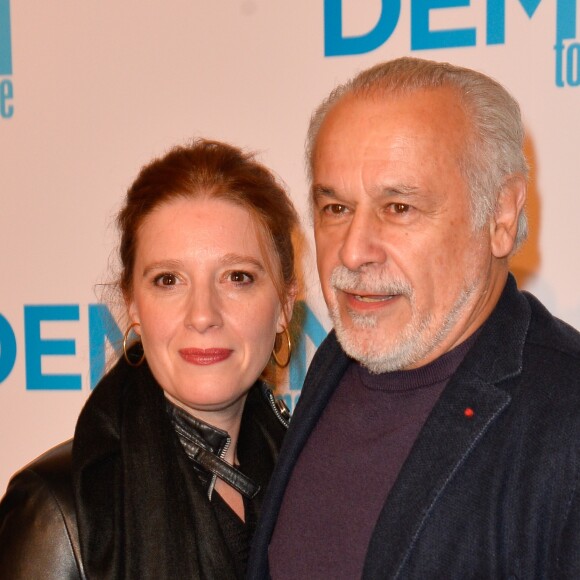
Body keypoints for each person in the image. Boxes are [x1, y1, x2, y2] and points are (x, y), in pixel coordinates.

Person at [247, 57, 580, 579]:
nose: (353, 252)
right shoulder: (336, 359)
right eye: (335, 209)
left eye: (398, 207)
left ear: (501, 214)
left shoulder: (567, 418)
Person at [0, 139, 298, 579]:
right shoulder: (57, 510)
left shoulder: (310, 482)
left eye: (238, 277)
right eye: (169, 280)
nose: (203, 315)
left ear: (284, 305)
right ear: (134, 305)